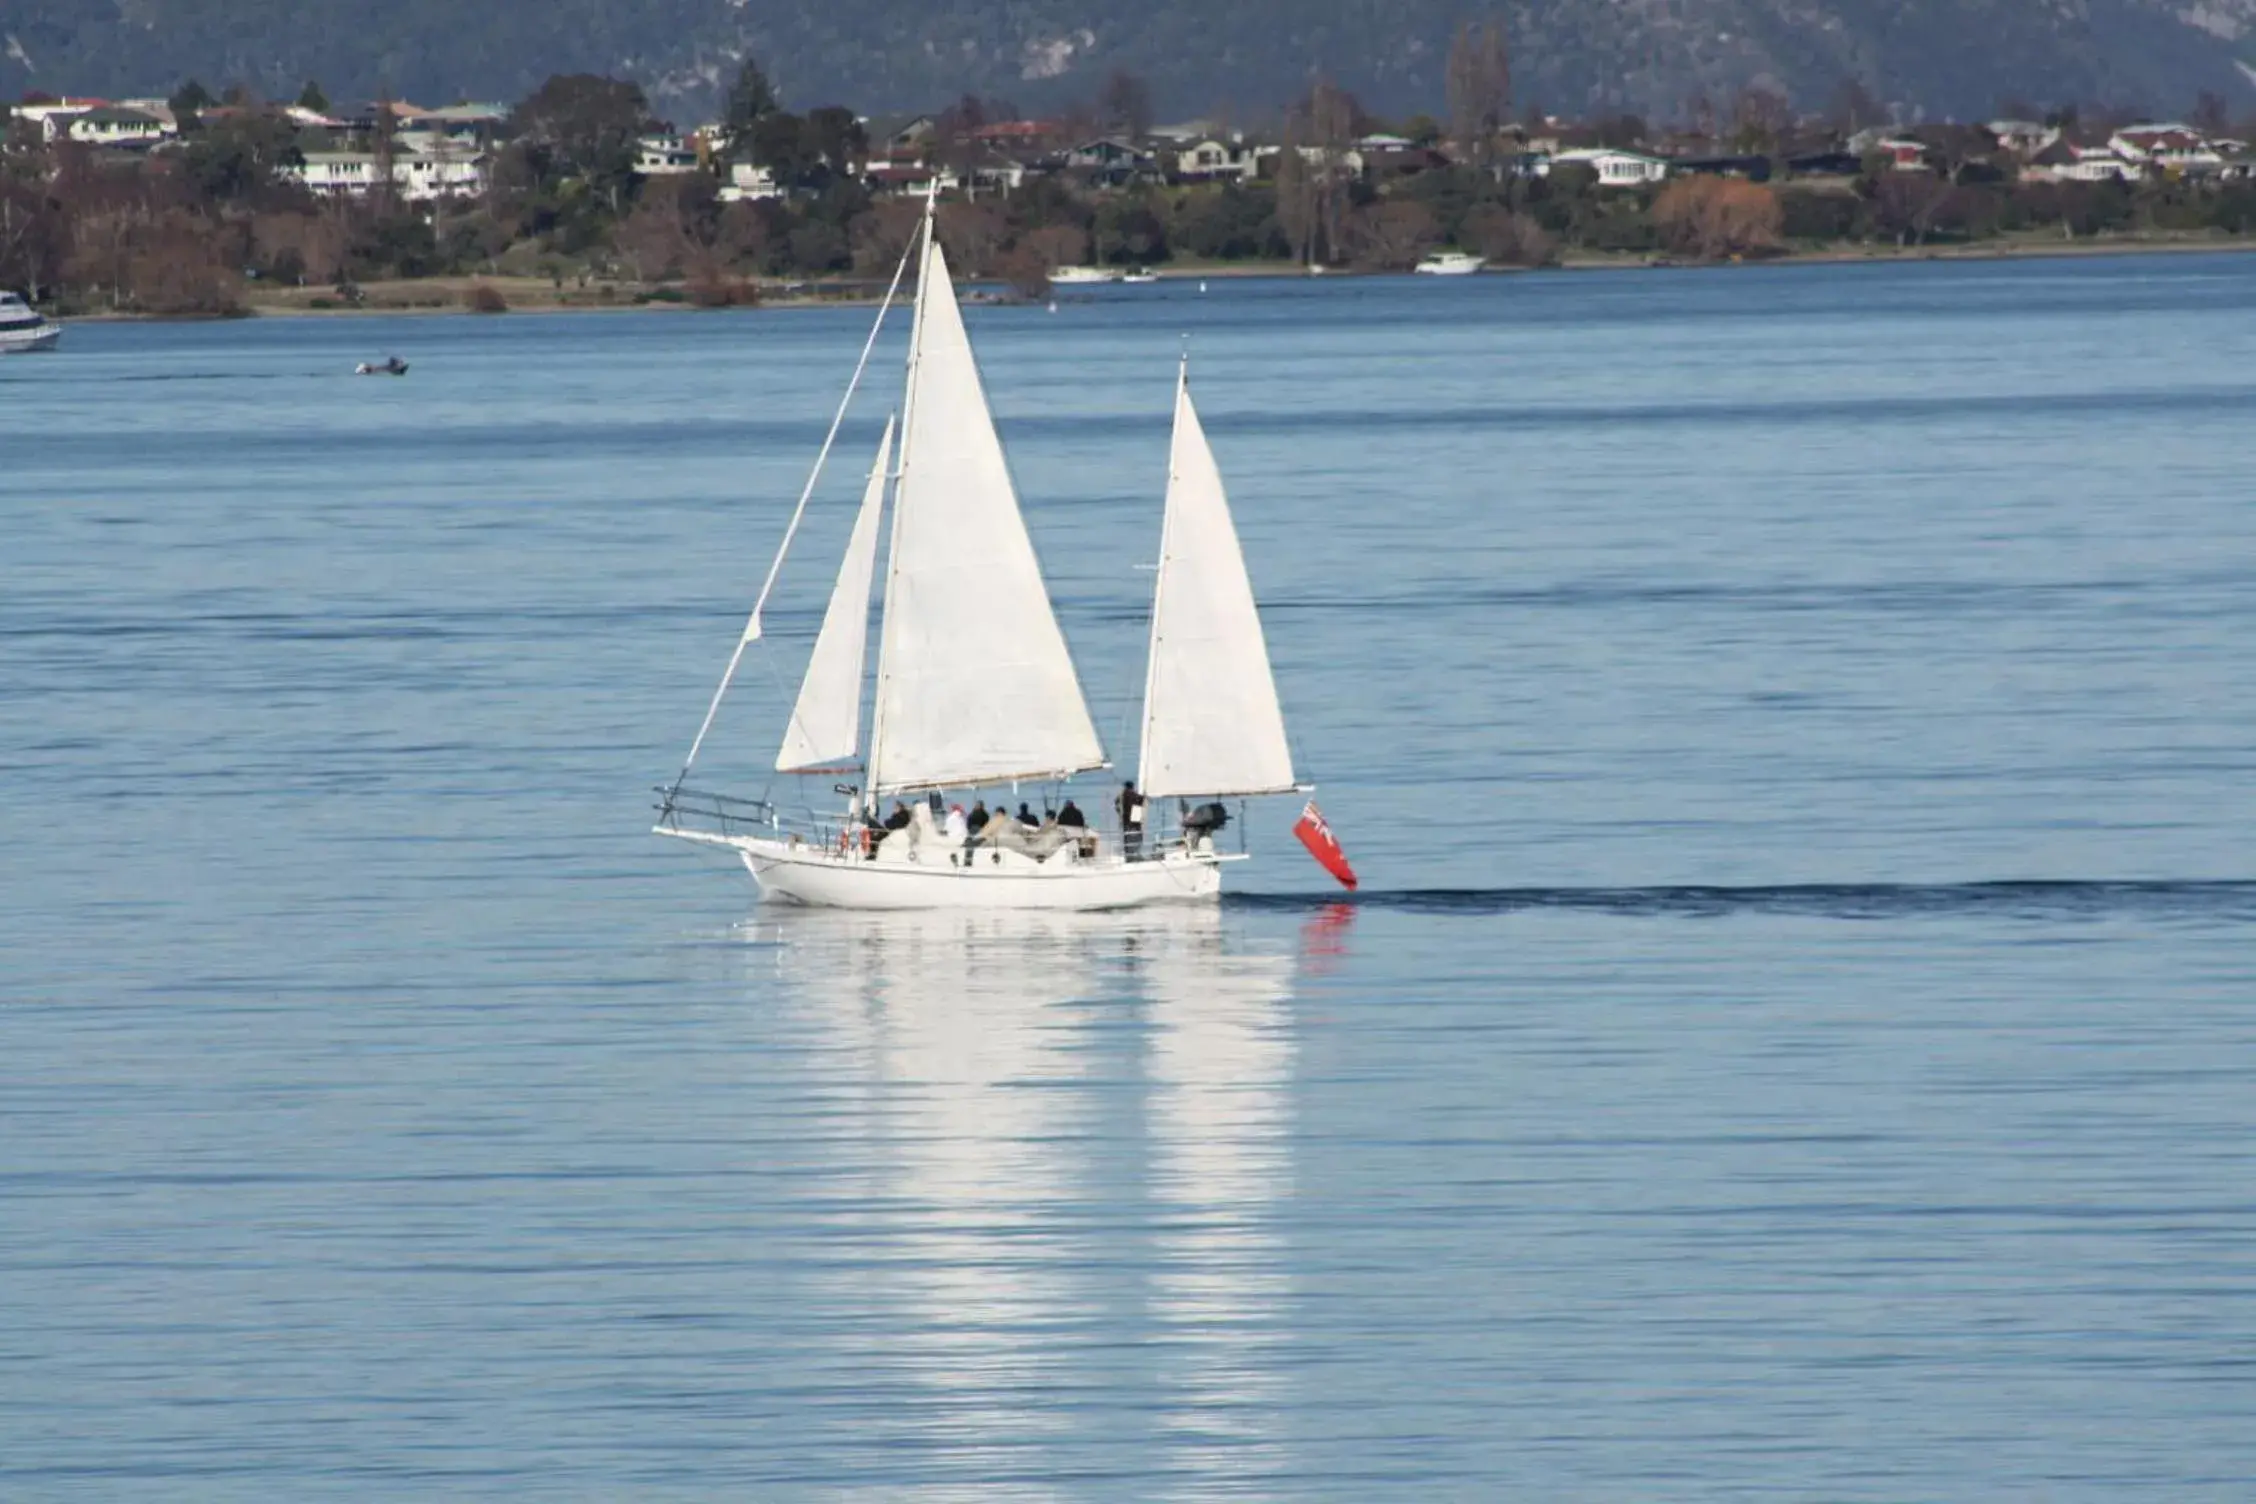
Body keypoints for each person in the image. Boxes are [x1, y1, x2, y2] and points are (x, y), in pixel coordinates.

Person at [1116, 780, 1144, 860]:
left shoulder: (1121, 795)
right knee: (1136, 837)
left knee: (1127, 838)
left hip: (1126, 820)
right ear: (1132, 786)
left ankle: (1128, 854)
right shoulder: (1136, 795)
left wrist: (1120, 814)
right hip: (1135, 819)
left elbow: (1116, 804)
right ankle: (1135, 853)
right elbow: (1141, 802)